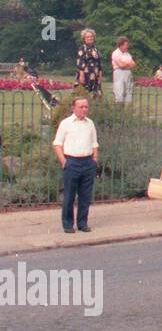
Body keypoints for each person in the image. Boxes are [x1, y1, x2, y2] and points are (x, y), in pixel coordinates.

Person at [52, 97, 98, 234]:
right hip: (72, 162)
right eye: (81, 107)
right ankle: (67, 224)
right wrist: (63, 161)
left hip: (87, 161)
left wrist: (95, 159)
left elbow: (94, 143)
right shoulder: (66, 123)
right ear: (74, 108)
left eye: (86, 107)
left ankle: (82, 223)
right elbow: (57, 143)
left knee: (85, 195)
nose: (84, 109)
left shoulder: (90, 123)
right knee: (69, 195)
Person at [75, 29, 103, 97]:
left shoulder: (95, 49)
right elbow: (80, 63)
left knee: (96, 95)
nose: (90, 38)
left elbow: (99, 63)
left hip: (95, 76)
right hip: (85, 75)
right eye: (88, 37)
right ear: (84, 39)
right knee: (84, 94)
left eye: (91, 36)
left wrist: (100, 75)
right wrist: (81, 76)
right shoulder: (82, 49)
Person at [111, 36, 135, 103]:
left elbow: (133, 64)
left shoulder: (127, 54)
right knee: (119, 91)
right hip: (119, 73)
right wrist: (128, 63)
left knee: (129, 90)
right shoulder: (115, 53)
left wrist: (125, 64)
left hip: (128, 73)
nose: (127, 46)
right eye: (125, 45)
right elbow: (121, 65)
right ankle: (119, 108)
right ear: (120, 45)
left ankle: (128, 107)